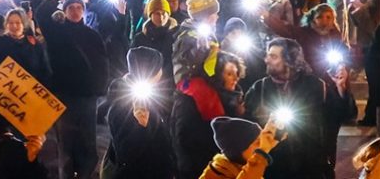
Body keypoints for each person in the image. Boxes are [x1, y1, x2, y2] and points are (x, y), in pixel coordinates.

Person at [35, 0, 108, 179]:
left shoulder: (92, 35)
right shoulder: (56, 32)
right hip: (64, 96)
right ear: (65, 11)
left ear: (83, 11)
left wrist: (99, 89)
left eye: (78, 7)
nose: (75, 11)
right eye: (71, 8)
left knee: (88, 144)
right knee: (66, 145)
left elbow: (102, 63)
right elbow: (41, 15)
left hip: (87, 98)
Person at [244, 38, 329, 178]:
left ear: (290, 60)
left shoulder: (314, 85)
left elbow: (334, 117)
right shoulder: (260, 88)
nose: (267, 60)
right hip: (273, 165)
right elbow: (248, 121)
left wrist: (341, 90)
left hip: (308, 164)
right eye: (267, 55)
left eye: (273, 56)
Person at [171, 51, 246, 179]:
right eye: (229, 74)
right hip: (198, 170)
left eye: (237, 73)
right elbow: (184, 139)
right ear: (216, 75)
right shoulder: (191, 97)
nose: (235, 78)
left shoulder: (234, 101)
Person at [101, 47, 174, 179]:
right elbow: (126, 154)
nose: (161, 71)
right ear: (150, 71)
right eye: (158, 67)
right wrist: (141, 127)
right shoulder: (124, 105)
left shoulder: (149, 95)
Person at [0, 0, 50, 81]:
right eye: (10, 23)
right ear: (6, 25)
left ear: (24, 25)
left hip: (29, 93)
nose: (14, 26)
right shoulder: (1, 43)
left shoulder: (35, 45)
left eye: (18, 23)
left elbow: (45, 71)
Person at [200, 116, 284, 179]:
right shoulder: (216, 174)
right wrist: (262, 152)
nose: (262, 144)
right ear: (239, 149)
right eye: (257, 142)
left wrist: (272, 141)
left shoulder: (246, 169)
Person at [172, 0, 220, 84]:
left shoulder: (210, 33)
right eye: (214, 14)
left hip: (209, 82)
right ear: (206, 17)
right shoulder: (187, 37)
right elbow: (184, 65)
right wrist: (200, 49)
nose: (217, 17)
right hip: (194, 87)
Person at [132, 0, 178, 82]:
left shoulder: (176, 35)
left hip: (171, 81)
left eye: (164, 13)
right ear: (150, 15)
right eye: (157, 13)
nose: (161, 17)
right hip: (147, 82)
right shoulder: (141, 38)